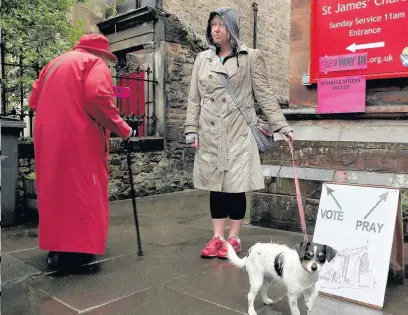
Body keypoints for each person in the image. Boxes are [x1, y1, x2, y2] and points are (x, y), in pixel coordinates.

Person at [184, 7, 294, 259]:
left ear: (232, 28)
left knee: (236, 186)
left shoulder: (250, 57)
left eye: (221, 24)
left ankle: (233, 239)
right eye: (213, 25)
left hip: (238, 132)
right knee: (216, 186)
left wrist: (282, 125)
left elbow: (264, 95)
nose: (216, 29)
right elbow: (194, 98)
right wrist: (192, 130)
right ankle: (216, 237)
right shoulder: (203, 59)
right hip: (210, 133)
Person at [29, 34, 132, 271]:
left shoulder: (53, 63)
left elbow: (34, 100)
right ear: (100, 53)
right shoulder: (93, 64)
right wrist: (123, 129)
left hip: (49, 137)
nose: (106, 62)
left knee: (56, 189)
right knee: (84, 189)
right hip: (80, 138)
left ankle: (58, 248)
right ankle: (76, 251)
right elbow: (98, 97)